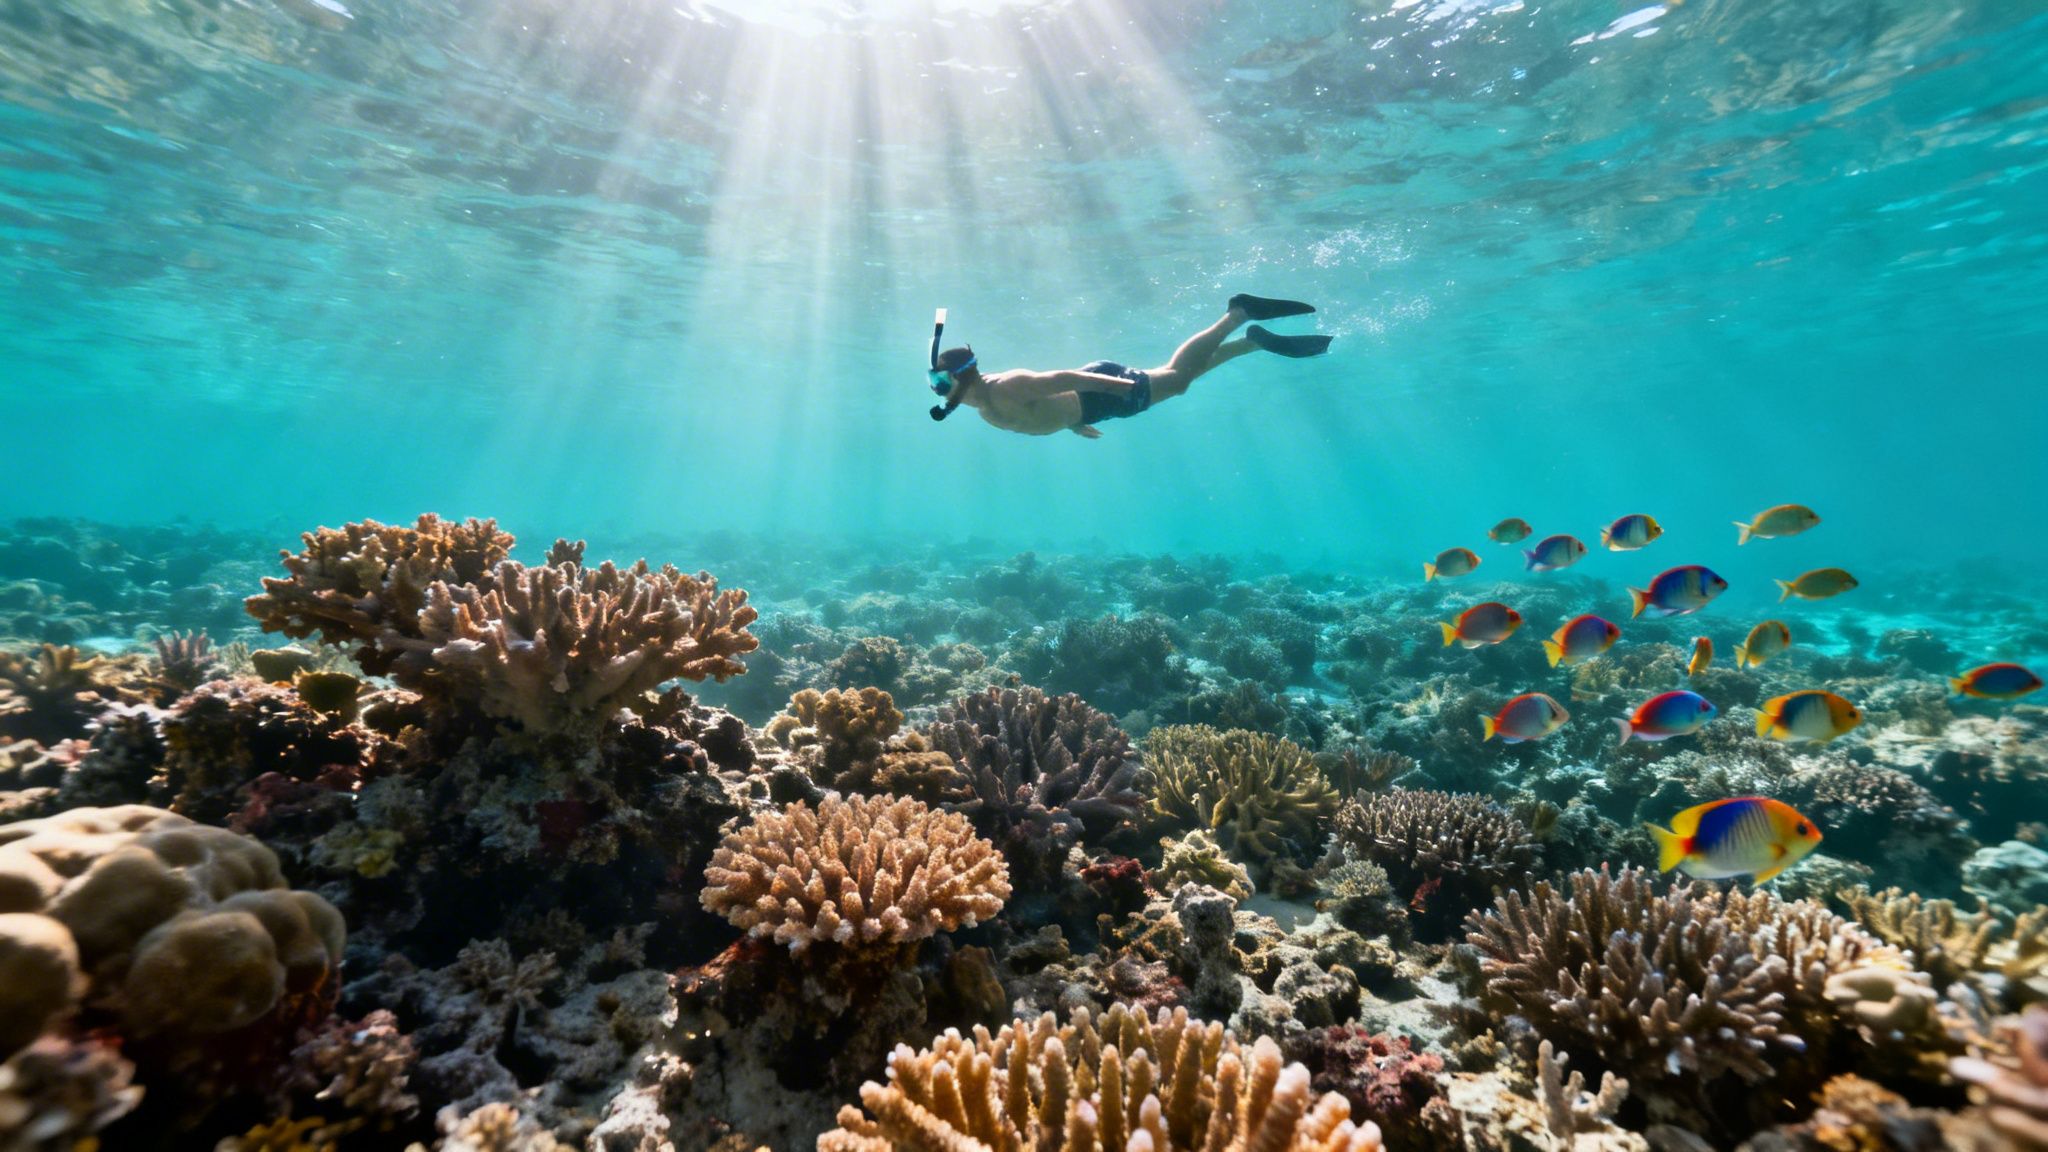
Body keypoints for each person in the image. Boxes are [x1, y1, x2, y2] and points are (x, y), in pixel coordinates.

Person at [925, 294, 1332, 437]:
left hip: (1099, 391)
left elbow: (1061, 379)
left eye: (940, 383)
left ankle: (1238, 314)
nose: (938, 392)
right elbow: (1043, 409)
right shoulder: (982, 407)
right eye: (934, 384)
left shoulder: (1006, 386)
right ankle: (1252, 343)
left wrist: (1112, 387)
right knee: (1179, 381)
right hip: (1092, 404)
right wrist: (1071, 422)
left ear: (964, 377)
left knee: (1176, 377)